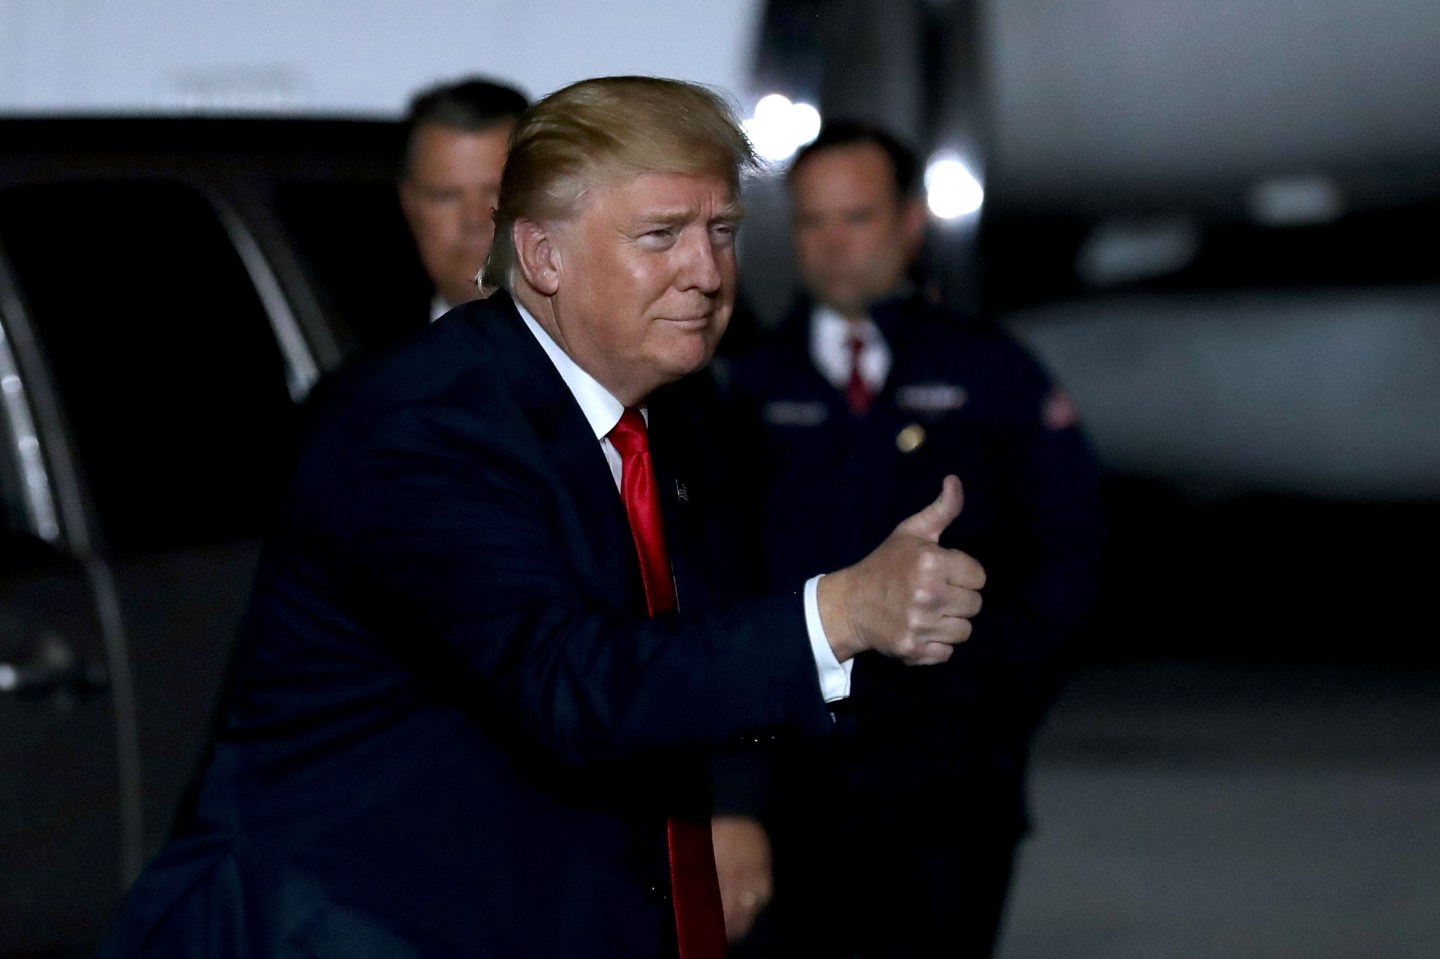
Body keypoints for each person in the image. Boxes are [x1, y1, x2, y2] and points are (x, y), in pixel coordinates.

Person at [96, 78, 988, 959]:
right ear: (543, 257)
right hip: (342, 920)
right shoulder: (426, 425)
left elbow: (683, 649)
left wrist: (736, 803)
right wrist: (840, 612)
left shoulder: (660, 419)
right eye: (660, 236)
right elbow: (569, 679)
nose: (708, 272)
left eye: (721, 232)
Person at [721, 121, 1106, 958]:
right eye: (814, 221)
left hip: (948, 791)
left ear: (908, 221)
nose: (833, 244)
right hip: (792, 786)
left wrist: (986, 703)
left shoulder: (989, 372)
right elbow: (721, 574)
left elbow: (1070, 554)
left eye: (856, 217)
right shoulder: (747, 385)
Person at [398, 75, 529, 323]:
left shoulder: (610, 357)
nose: (474, 218)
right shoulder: (381, 360)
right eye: (446, 196)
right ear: (409, 205)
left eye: (499, 192)